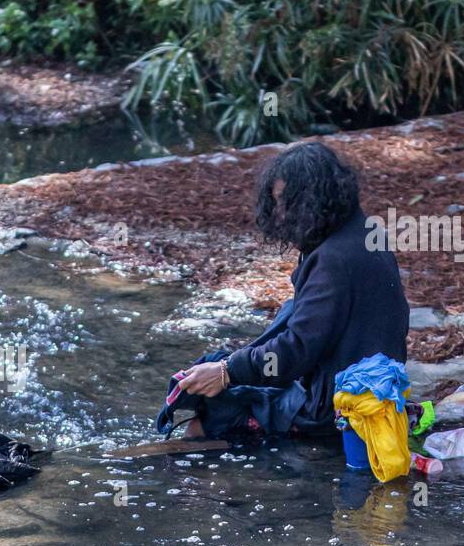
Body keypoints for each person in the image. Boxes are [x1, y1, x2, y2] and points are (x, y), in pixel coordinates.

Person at [164, 141, 408, 438]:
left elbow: (297, 349)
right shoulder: (361, 231)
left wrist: (228, 372)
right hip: (370, 386)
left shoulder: (334, 259)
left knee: (219, 403)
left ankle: (188, 470)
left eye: (287, 203)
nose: (279, 214)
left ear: (315, 201)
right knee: (215, 365)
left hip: (336, 408)